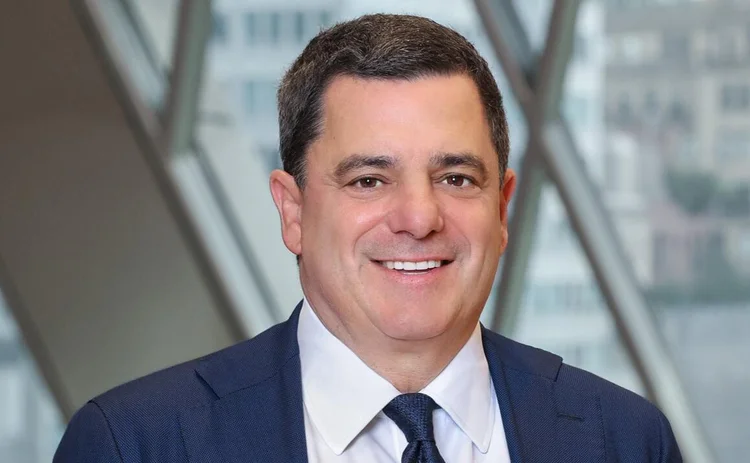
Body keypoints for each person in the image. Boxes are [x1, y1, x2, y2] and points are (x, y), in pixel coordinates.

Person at [54, 13, 682, 463]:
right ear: (293, 212)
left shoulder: (625, 441)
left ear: (502, 209)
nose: (419, 218)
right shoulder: (135, 444)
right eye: (369, 181)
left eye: (456, 178)